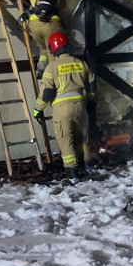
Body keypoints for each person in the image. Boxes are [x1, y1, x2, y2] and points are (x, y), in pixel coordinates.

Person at [32, 31, 95, 181]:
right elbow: (93, 85)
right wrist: (91, 102)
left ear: (53, 49)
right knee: (80, 139)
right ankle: (86, 166)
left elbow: (47, 93)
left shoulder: (52, 68)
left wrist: (37, 109)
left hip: (62, 109)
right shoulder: (81, 63)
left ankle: (72, 173)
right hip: (80, 107)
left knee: (66, 141)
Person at [13, 0, 66, 78]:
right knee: (52, 53)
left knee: (43, 48)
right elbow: (61, 9)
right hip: (51, 25)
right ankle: (53, 80)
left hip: (33, 25)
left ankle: (41, 68)